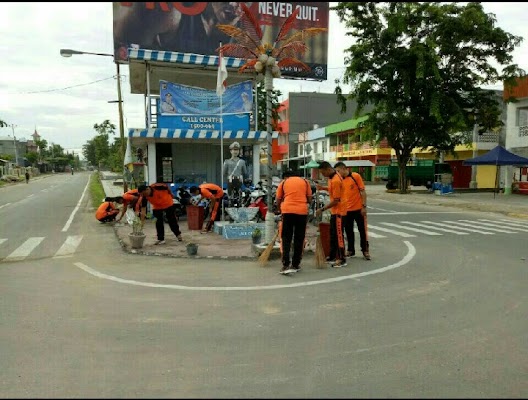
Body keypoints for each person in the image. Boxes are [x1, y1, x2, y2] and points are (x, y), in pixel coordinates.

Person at [275, 169, 313, 274]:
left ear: (286, 176)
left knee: (286, 238)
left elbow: (278, 199)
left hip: (287, 211)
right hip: (302, 212)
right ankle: (295, 264)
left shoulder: (283, 183)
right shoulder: (305, 182)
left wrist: (279, 209)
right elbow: (310, 198)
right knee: (299, 238)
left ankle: (285, 264)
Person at [334, 162, 371, 260]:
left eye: (338, 171)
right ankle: (351, 250)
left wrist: (364, 206)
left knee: (362, 231)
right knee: (349, 231)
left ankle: (365, 250)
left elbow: (363, 191)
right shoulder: (340, 180)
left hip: (358, 209)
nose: (337, 173)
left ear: (343, 168)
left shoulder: (355, 176)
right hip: (346, 210)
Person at [315, 161, 347, 268]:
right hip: (335, 211)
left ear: (328, 169)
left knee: (338, 235)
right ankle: (333, 256)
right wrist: (323, 188)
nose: (322, 175)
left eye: (323, 173)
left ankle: (342, 259)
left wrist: (322, 209)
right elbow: (333, 190)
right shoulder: (331, 178)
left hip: (339, 211)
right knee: (333, 235)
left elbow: (336, 200)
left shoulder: (336, 180)